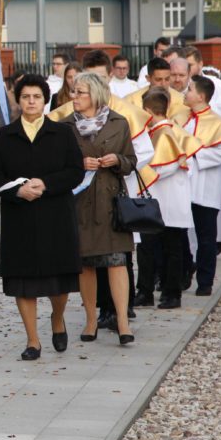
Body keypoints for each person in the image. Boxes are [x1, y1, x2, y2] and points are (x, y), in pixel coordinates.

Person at [0, 75, 84, 360]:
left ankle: (57, 317)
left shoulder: (62, 133)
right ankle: (32, 341)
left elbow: (75, 171)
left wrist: (46, 184)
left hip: (56, 215)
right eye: (26, 97)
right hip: (20, 218)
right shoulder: (3, 136)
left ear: (45, 100)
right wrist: (18, 190)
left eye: (37, 97)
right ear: (18, 100)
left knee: (59, 280)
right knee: (23, 281)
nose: (31, 102)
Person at [63, 72, 137, 345]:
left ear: (94, 95)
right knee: (86, 264)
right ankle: (90, 320)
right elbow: (58, 164)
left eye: (79, 92)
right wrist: (80, 165)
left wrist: (116, 159)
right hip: (80, 203)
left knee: (117, 261)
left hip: (110, 201)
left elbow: (131, 161)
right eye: (73, 91)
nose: (74, 97)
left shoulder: (119, 122)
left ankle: (122, 322)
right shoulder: (65, 126)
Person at [135, 88, 200, 310]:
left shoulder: (164, 133)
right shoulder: (171, 130)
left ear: (147, 111)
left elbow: (164, 166)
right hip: (165, 201)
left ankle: (170, 293)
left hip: (166, 201)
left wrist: (139, 174)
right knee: (155, 248)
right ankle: (148, 291)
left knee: (168, 250)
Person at [183, 76, 221, 294]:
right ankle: (184, 274)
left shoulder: (217, 122)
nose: (185, 92)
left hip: (206, 188)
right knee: (183, 236)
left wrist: (197, 155)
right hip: (184, 187)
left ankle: (205, 282)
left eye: (189, 89)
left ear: (201, 96)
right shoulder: (184, 119)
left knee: (206, 237)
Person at [127, 57, 190, 124]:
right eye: (158, 79)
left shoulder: (182, 101)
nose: (163, 84)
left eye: (167, 79)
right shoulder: (131, 101)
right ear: (148, 78)